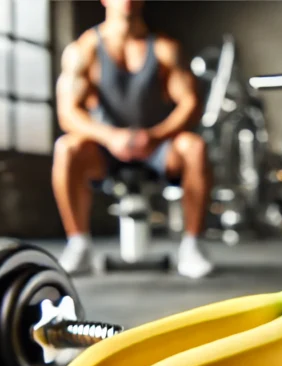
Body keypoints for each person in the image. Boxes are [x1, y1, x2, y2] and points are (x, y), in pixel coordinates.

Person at [52, 0, 213, 278]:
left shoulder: (164, 48)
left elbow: (190, 103)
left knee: (194, 147)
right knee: (66, 147)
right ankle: (79, 245)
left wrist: (153, 136)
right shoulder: (85, 49)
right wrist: (111, 136)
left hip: (157, 147)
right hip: (105, 149)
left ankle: (191, 247)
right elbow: (67, 113)